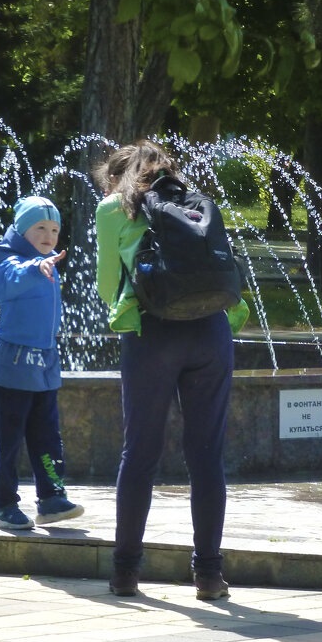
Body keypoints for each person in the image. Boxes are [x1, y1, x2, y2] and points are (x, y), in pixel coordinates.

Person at [93, 141, 249, 600]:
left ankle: (125, 573)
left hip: (151, 335)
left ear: (119, 175)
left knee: (139, 453)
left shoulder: (111, 209)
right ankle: (208, 575)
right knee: (206, 457)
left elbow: (108, 287)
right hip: (211, 333)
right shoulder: (197, 203)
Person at [0, 195, 84, 530]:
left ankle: (52, 497)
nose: (49, 235)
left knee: (47, 435)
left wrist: (42, 265)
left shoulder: (48, 260)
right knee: (9, 439)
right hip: (13, 363)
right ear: (23, 230)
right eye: (40, 227)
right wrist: (34, 267)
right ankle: (3, 504)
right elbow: (6, 282)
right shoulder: (6, 257)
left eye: (54, 229)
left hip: (44, 363)